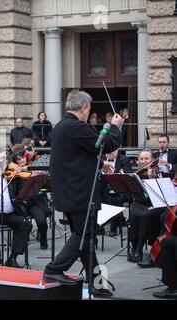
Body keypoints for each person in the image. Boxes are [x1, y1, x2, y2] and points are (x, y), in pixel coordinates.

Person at [42, 89, 123, 298]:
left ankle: (96, 283)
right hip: (80, 194)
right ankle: (54, 269)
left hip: (68, 192)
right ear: (85, 108)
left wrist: (101, 163)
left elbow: (77, 155)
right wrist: (115, 127)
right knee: (84, 237)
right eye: (89, 108)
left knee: (86, 239)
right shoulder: (78, 128)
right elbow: (107, 144)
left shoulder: (61, 126)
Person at [0, 150, 33, 268]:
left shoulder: (12, 175)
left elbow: (23, 191)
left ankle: (12, 258)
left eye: (4, 159)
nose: (3, 162)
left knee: (26, 224)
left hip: (10, 213)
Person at [128, 150, 167, 266]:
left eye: (147, 159)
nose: (144, 161)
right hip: (141, 204)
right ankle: (134, 247)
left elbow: (159, 195)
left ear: (152, 160)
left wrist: (151, 178)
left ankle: (139, 248)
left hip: (155, 205)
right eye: (142, 159)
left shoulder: (157, 172)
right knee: (133, 213)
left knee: (145, 215)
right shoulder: (136, 174)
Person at [100, 148, 133, 237]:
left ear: (118, 149)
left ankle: (113, 228)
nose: (110, 151)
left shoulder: (124, 159)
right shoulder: (101, 159)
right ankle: (99, 227)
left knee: (114, 198)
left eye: (113, 149)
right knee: (95, 196)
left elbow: (127, 175)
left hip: (118, 188)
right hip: (103, 187)